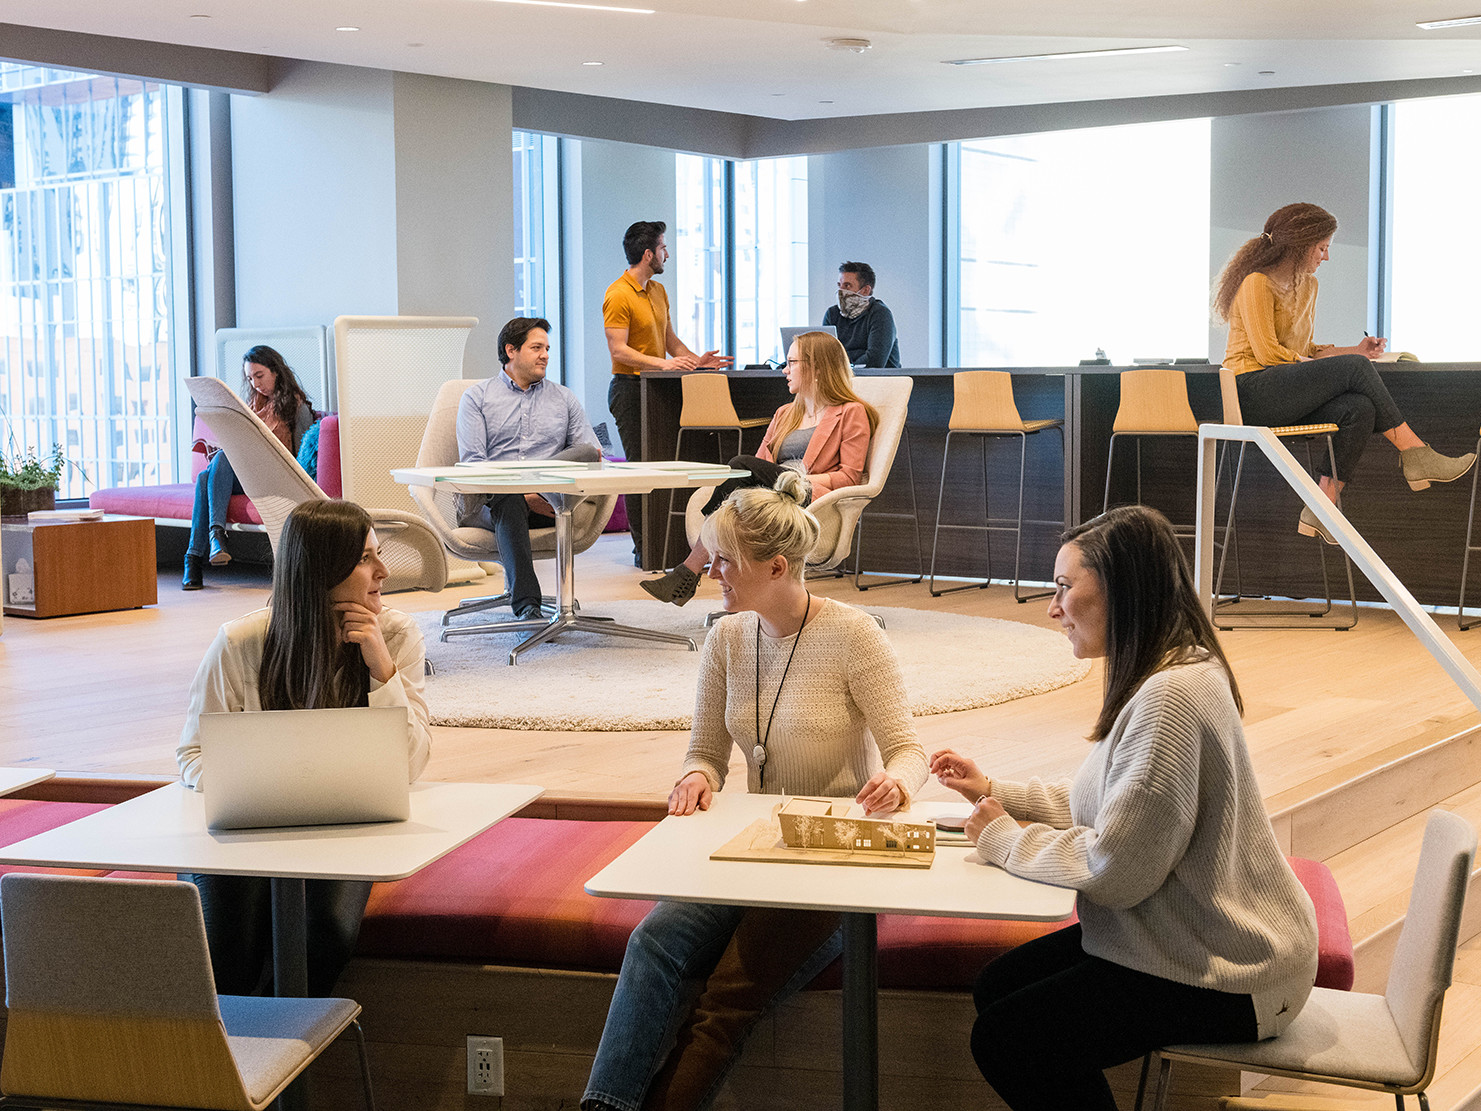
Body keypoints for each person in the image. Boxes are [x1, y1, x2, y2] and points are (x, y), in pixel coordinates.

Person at [929, 505, 1318, 1111]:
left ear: (1120, 589)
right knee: (999, 989)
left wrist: (1005, 838)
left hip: (1232, 971)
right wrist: (994, 790)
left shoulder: (1169, 698)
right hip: (1198, 942)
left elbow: (1117, 870)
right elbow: (1113, 807)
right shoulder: (1173, 667)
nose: (1052, 608)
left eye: (1063, 587)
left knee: (1009, 1039)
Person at [584, 471, 927, 1111]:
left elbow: (909, 751)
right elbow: (706, 751)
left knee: (728, 995)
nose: (713, 572)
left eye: (725, 562)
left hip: (831, 857)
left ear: (775, 567)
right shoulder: (726, 636)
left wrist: (896, 784)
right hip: (750, 848)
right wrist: (696, 776)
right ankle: (603, 1105)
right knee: (651, 941)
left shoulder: (855, 636)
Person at [176, 499, 432, 996]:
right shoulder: (239, 643)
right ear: (320, 570)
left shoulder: (395, 636)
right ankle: (234, 1060)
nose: (383, 571)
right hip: (245, 828)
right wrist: (254, 793)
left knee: (328, 932)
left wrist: (382, 671)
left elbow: (410, 765)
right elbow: (192, 755)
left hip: (348, 827)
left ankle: (283, 1052)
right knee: (229, 939)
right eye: (364, 559)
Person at [1215, 201, 1474, 544]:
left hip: (1282, 388)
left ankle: (1323, 505)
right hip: (1252, 392)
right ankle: (1416, 453)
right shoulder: (1256, 284)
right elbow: (1268, 355)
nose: (1325, 257)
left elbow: (1305, 351)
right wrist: (1340, 367)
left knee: (1359, 408)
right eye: (1322, 248)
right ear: (1300, 246)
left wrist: (1356, 351)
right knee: (1354, 371)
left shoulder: (1308, 287)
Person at [640, 331, 876, 606]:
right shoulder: (785, 414)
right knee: (742, 473)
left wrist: (799, 478)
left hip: (807, 497)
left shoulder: (850, 412)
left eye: (792, 362)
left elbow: (850, 477)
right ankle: (696, 576)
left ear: (816, 368)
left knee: (740, 465)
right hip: (771, 495)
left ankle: (689, 571)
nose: (785, 370)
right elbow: (758, 467)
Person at [603, 220, 732, 565]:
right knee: (639, 470)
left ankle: (668, 547)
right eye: (663, 248)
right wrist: (662, 366)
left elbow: (670, 341)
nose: (667, 254)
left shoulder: (658, 291)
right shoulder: (618, 294)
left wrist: (695, 362)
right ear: (648, 254)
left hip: (658, 390)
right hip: (630, 390)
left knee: (663, 467)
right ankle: (645, 549)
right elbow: (619, 350)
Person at [456, 316, 602, 620]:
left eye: (547, 348)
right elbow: (473, 466)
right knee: (508, 500)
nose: (546, 354)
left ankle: (529, 491)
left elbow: (589, 454)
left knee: (587, 450)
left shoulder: (564, 398)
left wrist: (542, 491)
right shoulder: (477, 398)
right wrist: (522, 493)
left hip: (551, 504)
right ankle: (527, 605)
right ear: (511, 350)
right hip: (492, 505)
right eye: (537, 347)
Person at [183, 345, 316, 590]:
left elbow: (301, 456)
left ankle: (195, 560)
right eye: (249, 378)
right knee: (211, 470)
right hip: (246, 473)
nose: (255, 383)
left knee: (209, 473)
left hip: (275, 475)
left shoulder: (297, 407)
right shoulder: (252, 407)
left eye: (259, 376)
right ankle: (212, 541)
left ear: (276, 371)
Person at [820, 260, 901, 368]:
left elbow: (875, 360)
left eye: (847, 286)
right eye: (839, 285)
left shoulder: (880, 314)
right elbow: (826, 357)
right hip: (844, 381)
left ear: (865, 290)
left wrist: (843, 361)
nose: (841, 291)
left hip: (881, 381)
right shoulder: (832, 314)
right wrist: (859, 355)